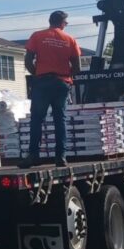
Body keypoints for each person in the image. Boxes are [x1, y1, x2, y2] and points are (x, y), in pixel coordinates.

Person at [23, 10, 81, 167]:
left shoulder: (37, 36)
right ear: (62, 23)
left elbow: (28, 60)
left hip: (42, 82)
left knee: (37, 119)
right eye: (66, 23)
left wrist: (37, 74)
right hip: (61, 83)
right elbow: (77, 66)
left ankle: (33, 156)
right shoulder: (70, 39)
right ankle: (60, 157)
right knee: (59, 119)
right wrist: (67, 78)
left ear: (50, 21)